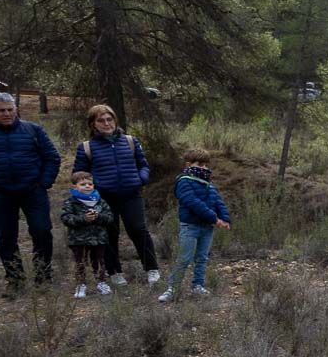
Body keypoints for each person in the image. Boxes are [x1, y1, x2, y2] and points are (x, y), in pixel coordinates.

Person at [72, 104, 160, 285]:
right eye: (101, 120)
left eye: (109, 119)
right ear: (93, 124)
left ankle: (151, 269)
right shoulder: (86, 147)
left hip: (131, 194)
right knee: (109, 234)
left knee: (138, 230)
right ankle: (114, 272)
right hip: (103, 198)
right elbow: (79, 174)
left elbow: (143, 165)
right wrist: (92, 188)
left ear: (114, 120)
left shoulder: (130, 141)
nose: (106, 123)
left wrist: (140, 179)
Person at [0, 90, 61, 296]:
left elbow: (52, 157)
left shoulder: (33, 130)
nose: (6, 113)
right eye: (1, 110)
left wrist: (44, 183)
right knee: (6, 238)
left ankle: (43, 277)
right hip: (0, 194)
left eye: (10, 109)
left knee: (42, 232)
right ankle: (15, 279)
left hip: (33, 191)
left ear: (16, 110)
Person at [158, 149, 230, 302]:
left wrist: (225, 218)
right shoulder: (183, 181)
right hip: (190, 226)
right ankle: (173, 288)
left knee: (202, 258)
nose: (203, 168)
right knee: (184, 258)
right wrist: (214, 218)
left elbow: (218, 201)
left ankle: (197, 285)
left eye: (205, 165)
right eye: (200, 164)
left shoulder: (208, 183)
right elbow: (192, 202)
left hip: (207, 227)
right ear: (189, 164)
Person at [60, 171, 115, 298]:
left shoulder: (100, 201)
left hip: (99, 238)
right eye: (83, 184)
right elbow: (66, 218)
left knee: (100, 261)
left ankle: (101, 282)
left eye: (90, 184)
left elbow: (110, 218)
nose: (87, 186)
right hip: (79, 239)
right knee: (81, 262)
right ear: (75, 187)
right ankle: (81, 284)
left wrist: (98, 216)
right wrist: (83, 219)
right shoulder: (71, 202)